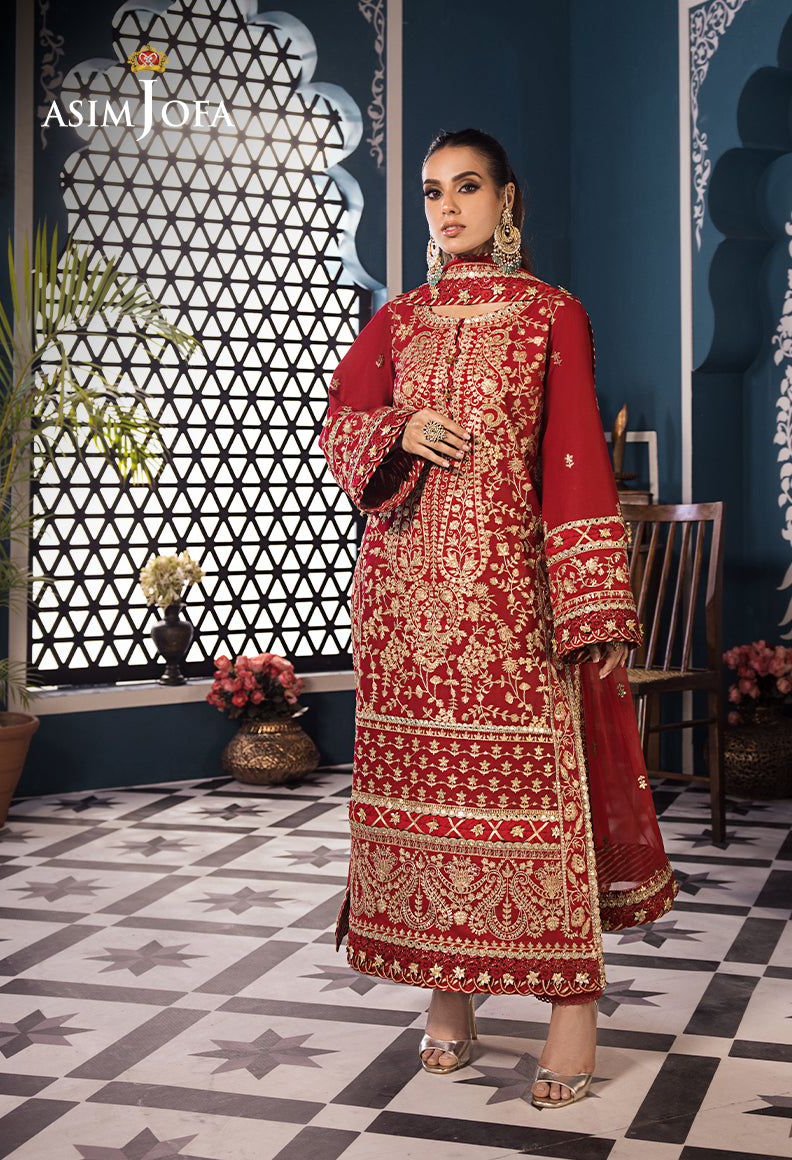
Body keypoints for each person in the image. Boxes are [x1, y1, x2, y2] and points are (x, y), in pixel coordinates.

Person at [319, 128, 677, 1109]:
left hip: (510, 603)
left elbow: (575, 456)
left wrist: (591, 600)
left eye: (466, 186)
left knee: (536, 801)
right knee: (429, 802)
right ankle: (450, 994)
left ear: (505, 199)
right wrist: (397, 428)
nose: (446, 206)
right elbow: (338, 425)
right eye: (432, 190)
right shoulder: (398, 320)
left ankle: (571, 1007)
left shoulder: (552, 314)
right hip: (402, 608)